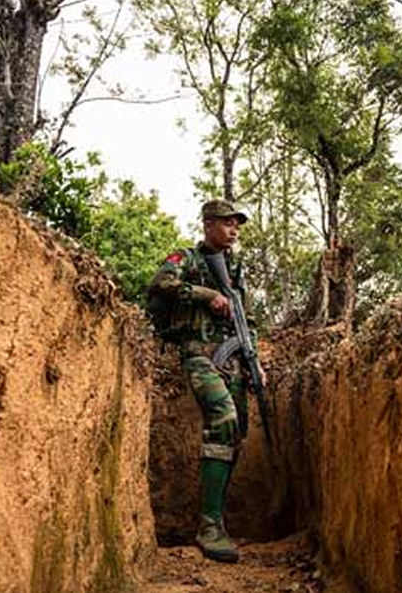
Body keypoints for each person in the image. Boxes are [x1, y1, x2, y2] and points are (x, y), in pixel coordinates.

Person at [146, 199, 254, 563]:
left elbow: (245, 320)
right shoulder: (187, 259)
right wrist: (207, 295)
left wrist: (255, 361)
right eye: (226, 223)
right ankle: (208, 526)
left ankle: (217, 519)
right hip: (200, 354)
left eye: (237, 224)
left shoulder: (236, 270)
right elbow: (161, 283)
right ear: (208, 225)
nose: (234, 230)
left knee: (235, 435)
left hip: (233, 359)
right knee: (222, 420)